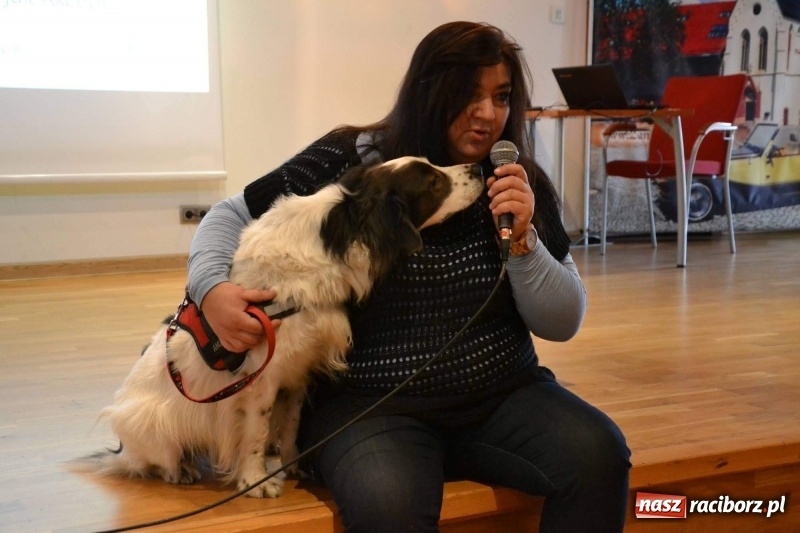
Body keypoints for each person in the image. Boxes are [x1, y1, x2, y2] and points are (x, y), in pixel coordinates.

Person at [187, 21, 630, 533]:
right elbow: (228, 215)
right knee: (389, 504)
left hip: (500, 395)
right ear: (429, 91)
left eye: (502, 97)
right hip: (370, 407)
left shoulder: (519, 184)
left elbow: (563, 321)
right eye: (469, 95)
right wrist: (212, 290)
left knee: (600, 455)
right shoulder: (354, 157)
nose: (488, 114)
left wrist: (525, 242)